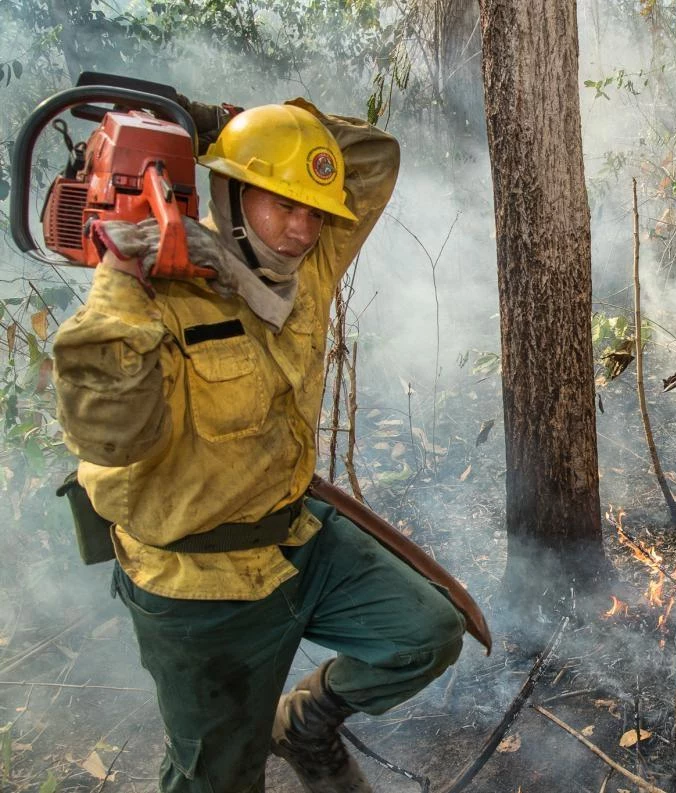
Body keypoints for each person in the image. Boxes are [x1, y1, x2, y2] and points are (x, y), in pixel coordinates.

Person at [52, 97, 465, 793]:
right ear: (231, 193)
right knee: (216, 778)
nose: (302, 229)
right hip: (196, 583)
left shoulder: (306, 263)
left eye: (311, 209)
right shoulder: (153, 292)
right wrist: (122, 280)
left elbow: (370, 157)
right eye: (281, 204)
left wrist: (216, 122)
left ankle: (301, 724)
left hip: (296, 535)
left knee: (425, 633)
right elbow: (112, 438)